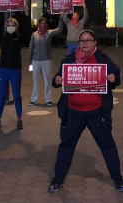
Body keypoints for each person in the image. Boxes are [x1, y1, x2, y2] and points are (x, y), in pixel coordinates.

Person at [48, 29, 123, 193]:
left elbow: (116, 77)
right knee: (66, 145)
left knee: (108, 145)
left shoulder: (102, 59)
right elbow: (56, 80)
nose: (85, 43)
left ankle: (118, 179)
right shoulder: (69, 59)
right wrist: (57, 80)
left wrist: (113, 79)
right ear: (78, 43)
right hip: (73, 112)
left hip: (97, 113)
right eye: (82, 40)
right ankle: (58, 179)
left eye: (89, 40)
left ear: (94, 42)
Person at [0, 6, 30, 130]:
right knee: (1, 95)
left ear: (16, 27)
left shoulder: (18, 38)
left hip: (15, 70)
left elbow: (26, 29)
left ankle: (19, 119)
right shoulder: (2, 38)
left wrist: (26, 14)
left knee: (16, 95)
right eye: (9, 24)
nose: (10, 26)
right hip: (3, 69)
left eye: (13, 24)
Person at [28, 13, 64, 106]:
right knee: (35, 80)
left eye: (44, 23)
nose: (43, 25)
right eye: (41, 23)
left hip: (46, 60)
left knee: (47, 79)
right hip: (35, 60)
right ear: (39, 24)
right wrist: (29, 60)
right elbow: (31, 47)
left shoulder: (49, 33)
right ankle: (33, 99)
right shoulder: (34, 34)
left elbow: (59, 30)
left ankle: (48, 99)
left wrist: (61, 19)